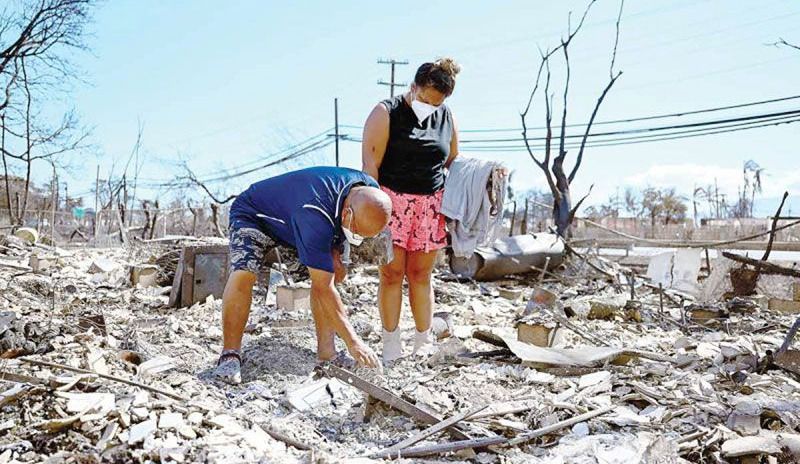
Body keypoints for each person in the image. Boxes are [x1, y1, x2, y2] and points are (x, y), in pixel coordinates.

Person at [214, 166, 392, 384]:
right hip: (254, 215)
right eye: (356, 233)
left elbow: (332, 268)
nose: (357, 239)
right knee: (244, 272)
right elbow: (323, 287)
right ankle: (229, 354)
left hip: (295, 219)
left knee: (335, 273)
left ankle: (327, 354)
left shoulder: (369, 192)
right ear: (347, 214)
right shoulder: (315, 213)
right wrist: (354, 342)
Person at [361, 58, 461, 362]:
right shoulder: (385, 112)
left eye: (436, 103)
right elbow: (370, 165)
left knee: (421, 275)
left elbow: (453, 160)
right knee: (391, 274)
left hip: (430, 206)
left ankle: (422, 341)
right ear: (414, 87)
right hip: (391, 202)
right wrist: (372, 212)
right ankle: (391, 343)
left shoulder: (446, 117)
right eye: (425, 99)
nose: (429, 107)